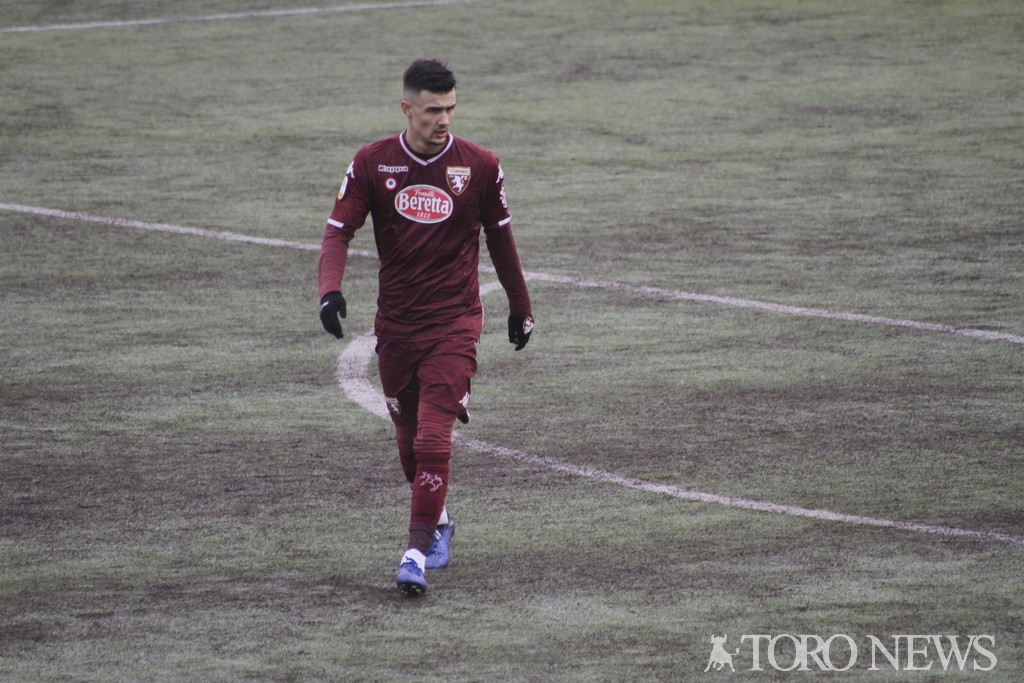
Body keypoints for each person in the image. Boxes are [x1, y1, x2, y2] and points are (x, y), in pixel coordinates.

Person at [317, 59, 534, 597]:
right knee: (409, 440)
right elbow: (338, 232)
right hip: (396, 325)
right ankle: (438, 521)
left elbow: (501, 240)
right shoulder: (372, 163)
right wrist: (329, 289)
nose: (444, 119)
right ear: (407, 109)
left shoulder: (480, 166)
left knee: (435, 434)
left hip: (455, 323)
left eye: (451, 109)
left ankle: (413, 554)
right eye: (434, 110)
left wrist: (520, 306)